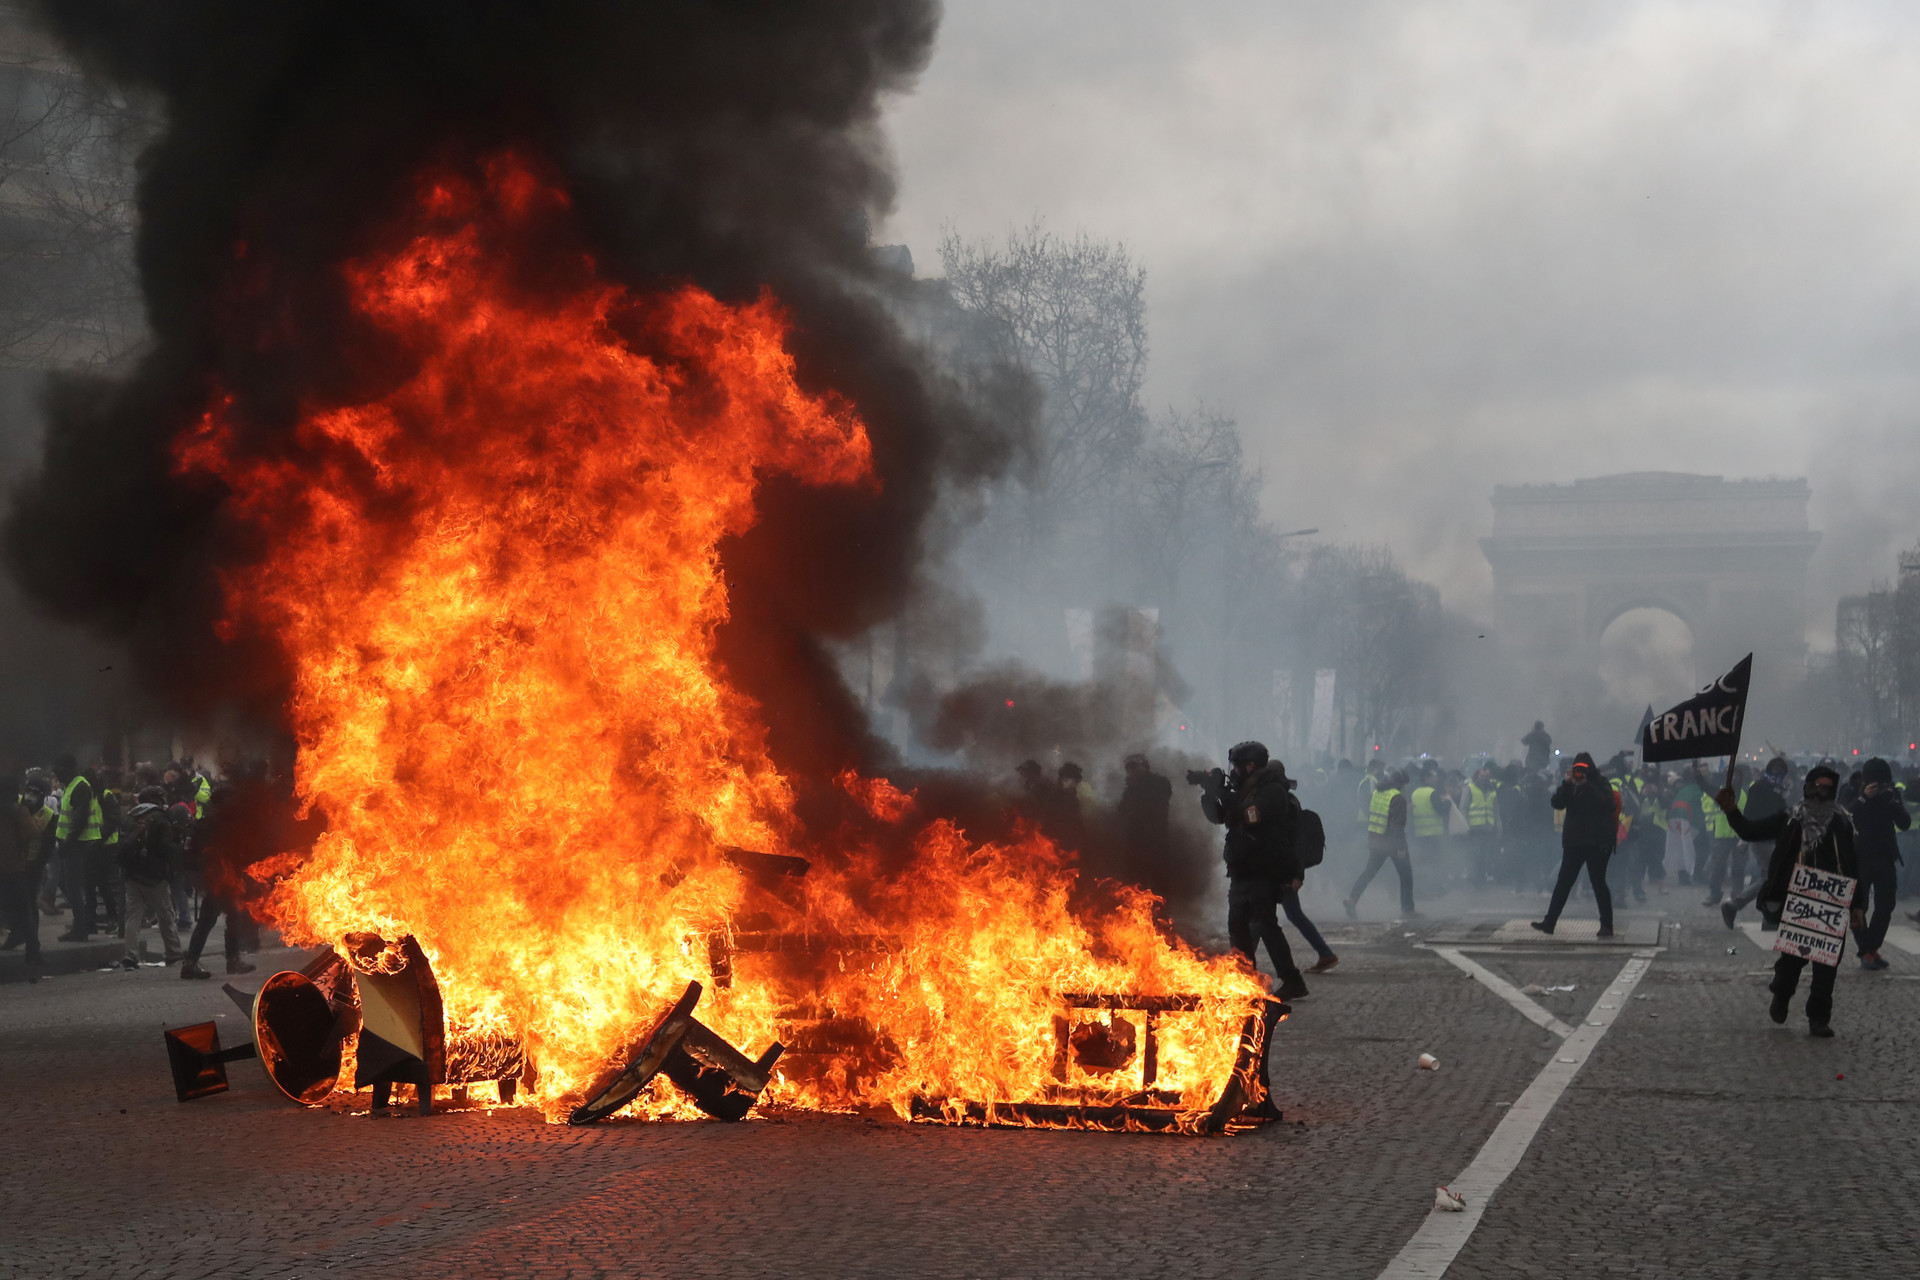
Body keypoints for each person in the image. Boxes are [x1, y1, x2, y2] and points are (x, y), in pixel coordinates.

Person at [1718, 766, 1859, 1037]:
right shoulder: (1790, 818)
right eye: (1815, 785)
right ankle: (1781, 995)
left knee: (1826, 965)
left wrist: (1858, 905)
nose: (1819, 792)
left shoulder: (1842, 823)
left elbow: (1853, 864)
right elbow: (1751, 831)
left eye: (1826, 787)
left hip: (1831, 902)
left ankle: (1818, 1017)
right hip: (1798, 898)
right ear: (1806, 786)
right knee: (1792, 961)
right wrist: (1731, 810)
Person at [1201, 741, 1308, 1000]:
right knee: (1237, 926)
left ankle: (1292, 980)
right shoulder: (1244, 789)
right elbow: (1220, 816)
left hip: (1265, 869)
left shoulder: (1271, 791)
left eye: (1238, 766)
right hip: (1242, 870)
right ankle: (1244, 979)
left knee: (1265, 925)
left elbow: (1250, 817)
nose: (1234, 771)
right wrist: (1210, 793)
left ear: (1251, 765)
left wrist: (1226, 794)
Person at [1532, 753, 1618, 937]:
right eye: (1576, 769)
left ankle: (1607, 925)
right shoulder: (1571, 785)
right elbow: (1556, 803)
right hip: (1574, 842)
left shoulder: (1600, 782)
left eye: (1582, 770)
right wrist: (1566, 784)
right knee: (1563, 882)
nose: (1579, 774)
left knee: (1598, 883)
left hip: (1596, 842)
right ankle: (1550, 922)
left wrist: (1587, 786)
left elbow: (1608, 804)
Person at [1848, 757, 1908, 971]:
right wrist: (1865, 798)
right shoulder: (1855, 794)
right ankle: (1866, 951)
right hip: (1860, 858)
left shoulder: (1891, 795)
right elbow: (1848, 816)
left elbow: (1905, 823)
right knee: (1858, 908)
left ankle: (1870, 947)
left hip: (1885, 856)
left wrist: (1891, 801)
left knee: (1886, 906)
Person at [117, 789, 184, 969]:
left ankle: (130, 955)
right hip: (154, 876)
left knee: (132, 916)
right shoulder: (160, 817)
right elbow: (166, 847)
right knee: (165, 914)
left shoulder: (129, 816)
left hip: (131, 874)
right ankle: (173, 952)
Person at [51, 753, 109, 942]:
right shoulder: (71, 785)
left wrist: (67, 843)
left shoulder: (80, 786)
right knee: (66, 883)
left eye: (58, 770)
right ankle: (83, 923)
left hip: (77, 844)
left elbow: (80, 819)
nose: (56, 775)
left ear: (67, 769)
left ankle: (81, 927)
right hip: (71, 843)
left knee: (74, 887)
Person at [0, 776, 53, 981]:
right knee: (26, 909)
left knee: (7, 907)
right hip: (14, 866)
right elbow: (31, 833)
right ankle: (33, 952)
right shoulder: (16, 810)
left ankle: (15, 935)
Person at [1346, 769, 1414, 918]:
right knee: (1406, 876)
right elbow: (1397, 827)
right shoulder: (1398, 798)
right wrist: (1401, 848)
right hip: (1393, 844)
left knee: (1368, 872)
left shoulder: (1377, 793)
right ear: (1399, 783)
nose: (1405, 787)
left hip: (1376, 841)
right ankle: (1407, 910)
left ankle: (1352, 899)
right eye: (1404, 784)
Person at [1117, 754, 1173, 874]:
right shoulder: (1130, 789)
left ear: (1145, 766)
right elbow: (1121, 811)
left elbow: (1159, 802)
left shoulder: (1159, 782)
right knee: (1136, 877)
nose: (1132, 771)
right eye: (1130, 769)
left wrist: (1136, 787)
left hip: (1155, 837)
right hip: (1135, 838)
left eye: (1135, 767)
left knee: (1158, 874)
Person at [1464, 763, 1500, 886]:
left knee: (1486, 857)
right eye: (1482, 776)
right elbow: (1463, 809)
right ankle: (1475, 880)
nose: (1485, 779)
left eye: (1487, 777)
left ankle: (1481, 879)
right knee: (1475, 856)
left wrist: (1498, 828)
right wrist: (1464, 827)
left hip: (1488, 829)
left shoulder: (1492, 791)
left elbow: (1496, 811)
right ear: (1476, 777)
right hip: (1474, 830)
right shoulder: (1469, 789)